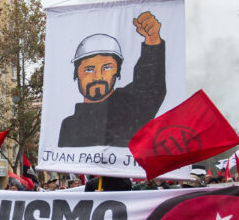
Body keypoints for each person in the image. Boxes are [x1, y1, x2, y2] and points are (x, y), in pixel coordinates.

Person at [58, 11, 166, 147]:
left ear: (118, 71)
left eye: (107, 68)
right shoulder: (69, 126)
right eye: (89, 69)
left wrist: (152, 42)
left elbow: (150, 86)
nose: (98, 76)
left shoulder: (130, 109)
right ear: (76, 73)